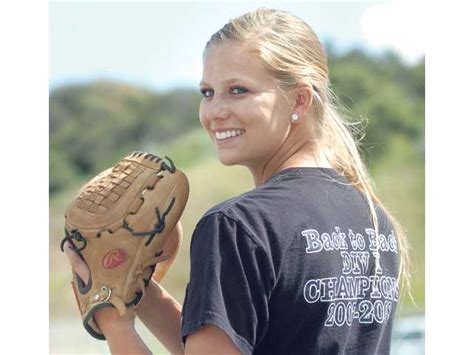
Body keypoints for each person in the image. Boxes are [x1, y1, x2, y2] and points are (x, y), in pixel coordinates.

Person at [65, 7, 410, 354]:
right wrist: (140, 290)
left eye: (238, 90)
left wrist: (112, 319)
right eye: (207, 92)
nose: (214, 111)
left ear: (299, 99)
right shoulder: (374, 222)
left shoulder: (237, 227)